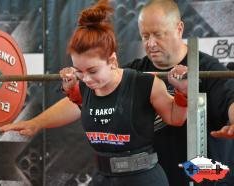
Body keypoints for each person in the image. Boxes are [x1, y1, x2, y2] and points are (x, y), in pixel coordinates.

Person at [0, 0, 189, 185]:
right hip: (103, 178)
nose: (86, 79)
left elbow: (175, 118)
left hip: (143, 179)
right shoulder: (85, 88)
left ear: (112, 61)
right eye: (79, 71)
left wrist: (182, 91)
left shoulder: (146, 83)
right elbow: (73, 106)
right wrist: (35, 123)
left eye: (92, 71)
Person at [62, 0, 234, 185]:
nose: (151, 43)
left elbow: (227, 100)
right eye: (145, 36)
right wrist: (39, 120)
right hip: (107, 177)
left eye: (158, 34)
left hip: (176, 175)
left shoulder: (146, 80)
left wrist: (182, 91)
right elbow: (78, 103)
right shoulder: (109, 80)